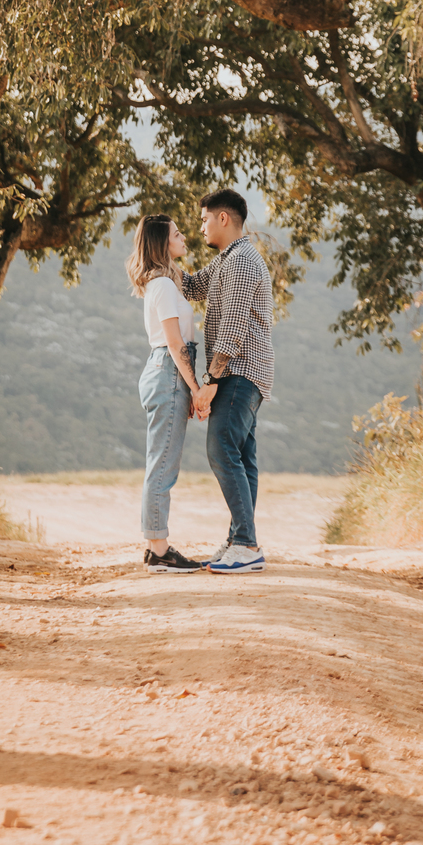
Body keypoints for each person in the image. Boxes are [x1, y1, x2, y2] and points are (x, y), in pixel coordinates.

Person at [182, 189, 273, 575]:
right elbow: (190, 287)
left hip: (239, 372)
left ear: (223, 218)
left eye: (204, 219)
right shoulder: (227, 260)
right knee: (242, 457)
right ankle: (240, 538)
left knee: (221, 447)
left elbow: (233, 330)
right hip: (247, 374)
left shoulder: (242, 263)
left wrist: (209, 381)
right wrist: (159, 255)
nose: (200, 226)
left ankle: (246, 544)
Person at [128, 214, 205, 573]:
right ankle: (159, 551)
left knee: (162, 461)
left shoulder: (166, 283)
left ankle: (155, 546)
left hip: (167, 373)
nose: (184, 235)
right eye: (177, 233)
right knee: (162, 464)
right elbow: (175, 344)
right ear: (163, 243)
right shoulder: (161, 285)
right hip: (169, 371)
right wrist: (196, 388)